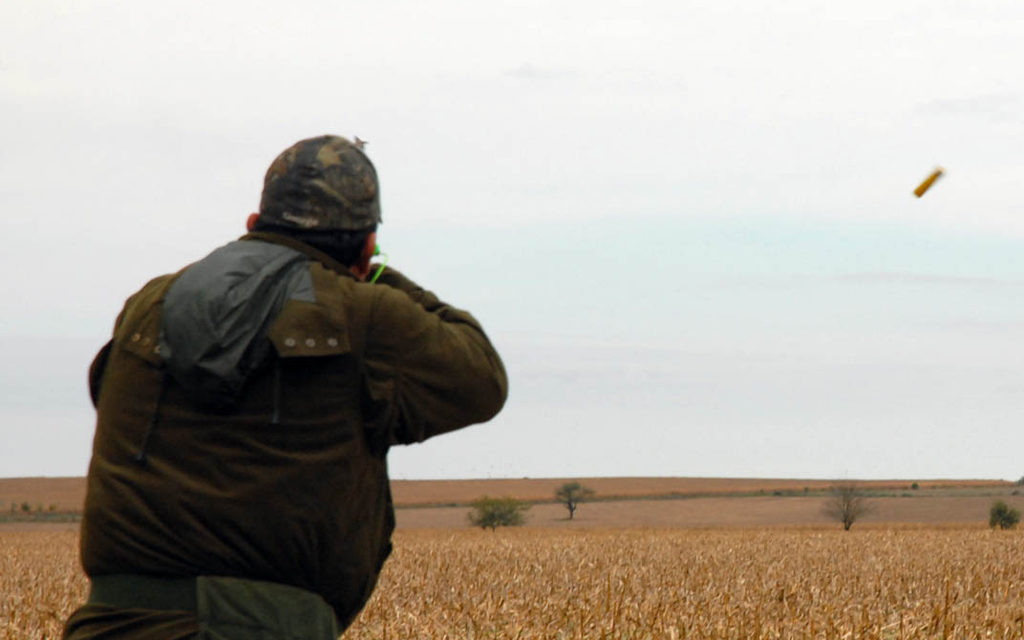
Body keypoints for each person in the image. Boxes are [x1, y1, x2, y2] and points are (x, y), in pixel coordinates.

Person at [63, 135, 508, 639]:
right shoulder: (362, 315)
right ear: (365, 248)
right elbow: (482, 377)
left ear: (253, 225)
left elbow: (106, 395)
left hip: (106, 626)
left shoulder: (149, 304)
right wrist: (377, 275)